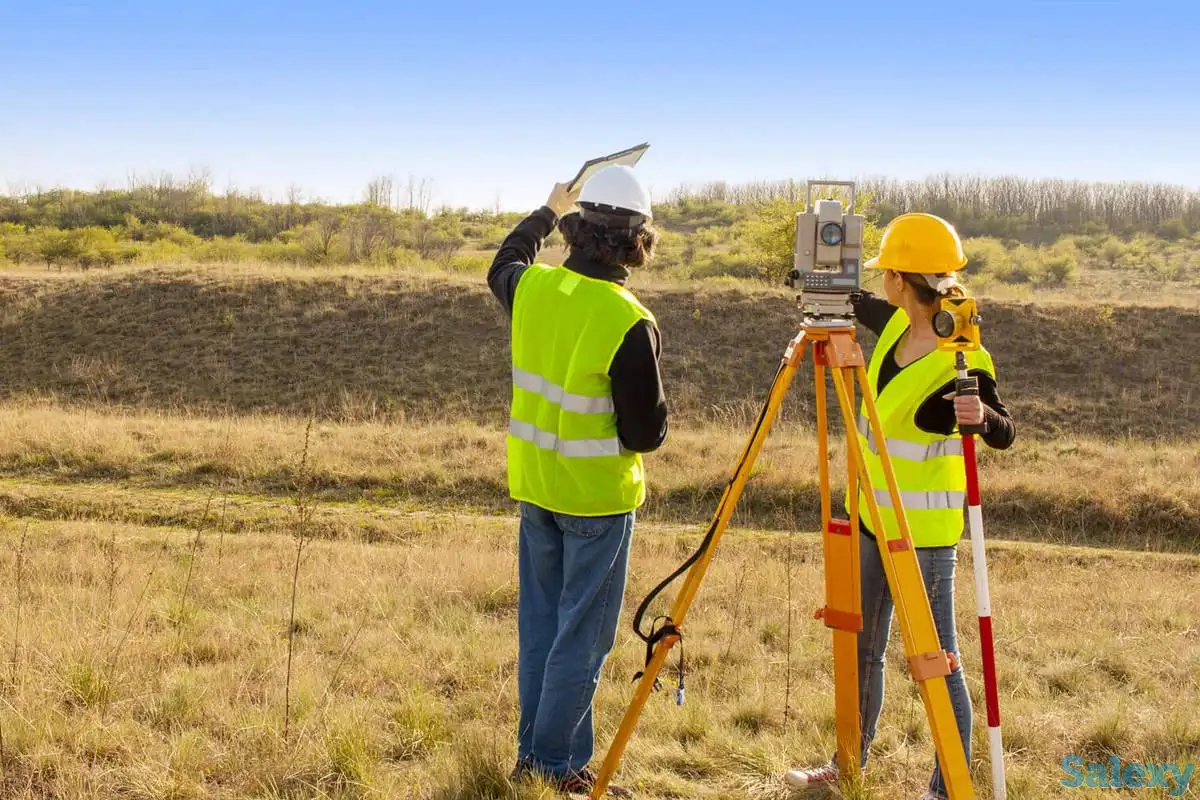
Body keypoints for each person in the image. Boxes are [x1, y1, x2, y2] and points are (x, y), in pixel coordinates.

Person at [785, 213, 1016, 800]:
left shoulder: (962, 357)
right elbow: (858, 304)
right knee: (862, 649)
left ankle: (947, 787)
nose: (879, 284)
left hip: (925, 540)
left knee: (937, 663)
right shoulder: (893, 328)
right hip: (869, 521)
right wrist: (817, 282)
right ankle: (848, 765)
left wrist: (982, 418)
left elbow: (1004, 431)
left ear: (899, 279)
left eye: (884, 272)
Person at [487, 165, 668, 797]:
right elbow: (645, 434)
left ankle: (536, 756)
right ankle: (554, 767)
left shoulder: (533, 289)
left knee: (542, 630)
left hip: (536, 488)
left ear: (576, 228)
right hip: (595, 502)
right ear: (637, 240)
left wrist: (545, 209)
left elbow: (503, 262)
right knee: (581, 641)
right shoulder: (628, 319)